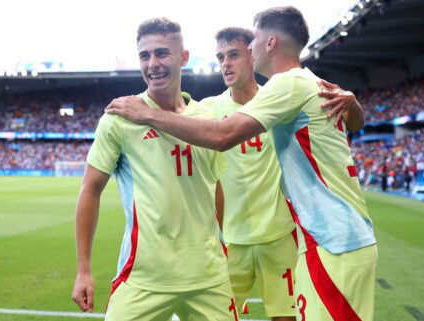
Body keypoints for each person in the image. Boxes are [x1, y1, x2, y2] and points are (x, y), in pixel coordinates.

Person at [105, 6, 377, 321]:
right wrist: (354, 104)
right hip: (290, 238)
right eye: (221, 57)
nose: (249, 48)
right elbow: (352, 123)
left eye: (252, 42)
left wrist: (148, 113)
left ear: (270, 43)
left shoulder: (285, 86)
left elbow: (223, 135)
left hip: (330, 238)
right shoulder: (306, 83)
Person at [72, 18, 238, 321]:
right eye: (144, 55)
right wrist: (84, 270)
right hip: (143, 276)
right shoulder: (120, 118)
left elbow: (215, 186)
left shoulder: (208, 116)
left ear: (184, 57)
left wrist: (218, 241)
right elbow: (90, 190)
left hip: (208, 275)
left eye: (162, 53)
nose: (153, 64)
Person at [202, 26, 366, 321]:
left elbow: (350, 121)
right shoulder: (210, 109)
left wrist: (353, 102)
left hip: (279, 235)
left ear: (253, 55)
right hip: (229, 241)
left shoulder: (284, 99)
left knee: (288, 317)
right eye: (220, 57)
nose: (225, 63)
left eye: (234, 55)